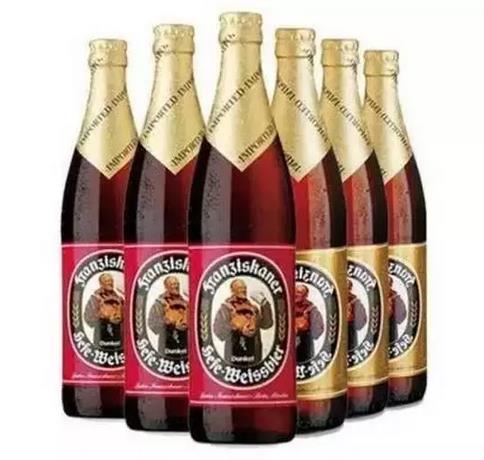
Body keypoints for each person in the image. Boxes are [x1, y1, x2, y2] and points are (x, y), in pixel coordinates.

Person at [213, 279, 273, 365]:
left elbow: (266, 324)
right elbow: (218, 331)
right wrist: (236, 328)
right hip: (234, 354)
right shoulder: (225, 308)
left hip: (254, 353)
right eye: (239, 288)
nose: (243, 290)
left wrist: (265, 304)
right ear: (232, 290)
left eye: (244, 288)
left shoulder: (253, 308)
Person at [148, 276, 188, 358]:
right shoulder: (160, 303)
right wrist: (168, 323)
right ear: (166, 286)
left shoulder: (186, 303)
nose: (176, 286)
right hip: (167, 344)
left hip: (185, 345)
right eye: (173, 284)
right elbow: (152, 323)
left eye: (177, 284)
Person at [84, 273, 124, 349]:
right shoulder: (95, 298)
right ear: (101, 284)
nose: (110, 283)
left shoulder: (120, 298)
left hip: (118, 336)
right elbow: (88, 318)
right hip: (102, 335)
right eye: (107, 281)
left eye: (111, 281)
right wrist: (103, 316)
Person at [295, 284, 324, 362]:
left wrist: (306, 326)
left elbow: (318, 329)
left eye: (299, 292)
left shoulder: (311, 309)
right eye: (295, 291)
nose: (296, 294)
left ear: (306, 295)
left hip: (305, 343)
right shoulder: (288, 306)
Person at [347, 279, 367, 351]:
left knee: (351, 348)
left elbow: (362, 317)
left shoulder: (355, 301)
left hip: (351, 327)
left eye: (348, 287)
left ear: (350, 288)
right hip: (341, 328)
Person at [389, 277, 407, 343]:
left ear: (391, 285)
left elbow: (402, 315)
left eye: (389, 284)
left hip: (392, 325)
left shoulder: (395, 297)